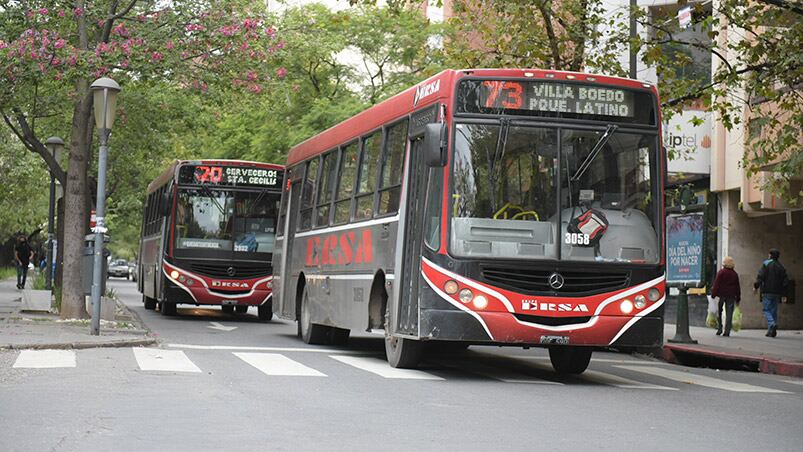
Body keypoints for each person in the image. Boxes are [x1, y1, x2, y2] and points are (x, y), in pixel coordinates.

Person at [753, 248, 789, 337]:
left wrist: (756, 286)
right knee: (773, 311)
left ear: (770, 255)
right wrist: (784, 294)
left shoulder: (766, 263)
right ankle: (771, 332)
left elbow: (761, 276)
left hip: (767, 291)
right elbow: (785, 281)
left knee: (766, 310)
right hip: (777, 292)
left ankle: (772, 324)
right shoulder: (781, 267)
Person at [710, 256, 740, 336]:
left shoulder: (721, 272)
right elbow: (737, 287)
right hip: (731, 295)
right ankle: (727, 331)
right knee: (729, 313)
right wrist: (738, 298)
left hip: (721, 295)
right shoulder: (735, 274)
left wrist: (713, 294)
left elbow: (716, 284)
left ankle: (720, 328)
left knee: (719, 312)